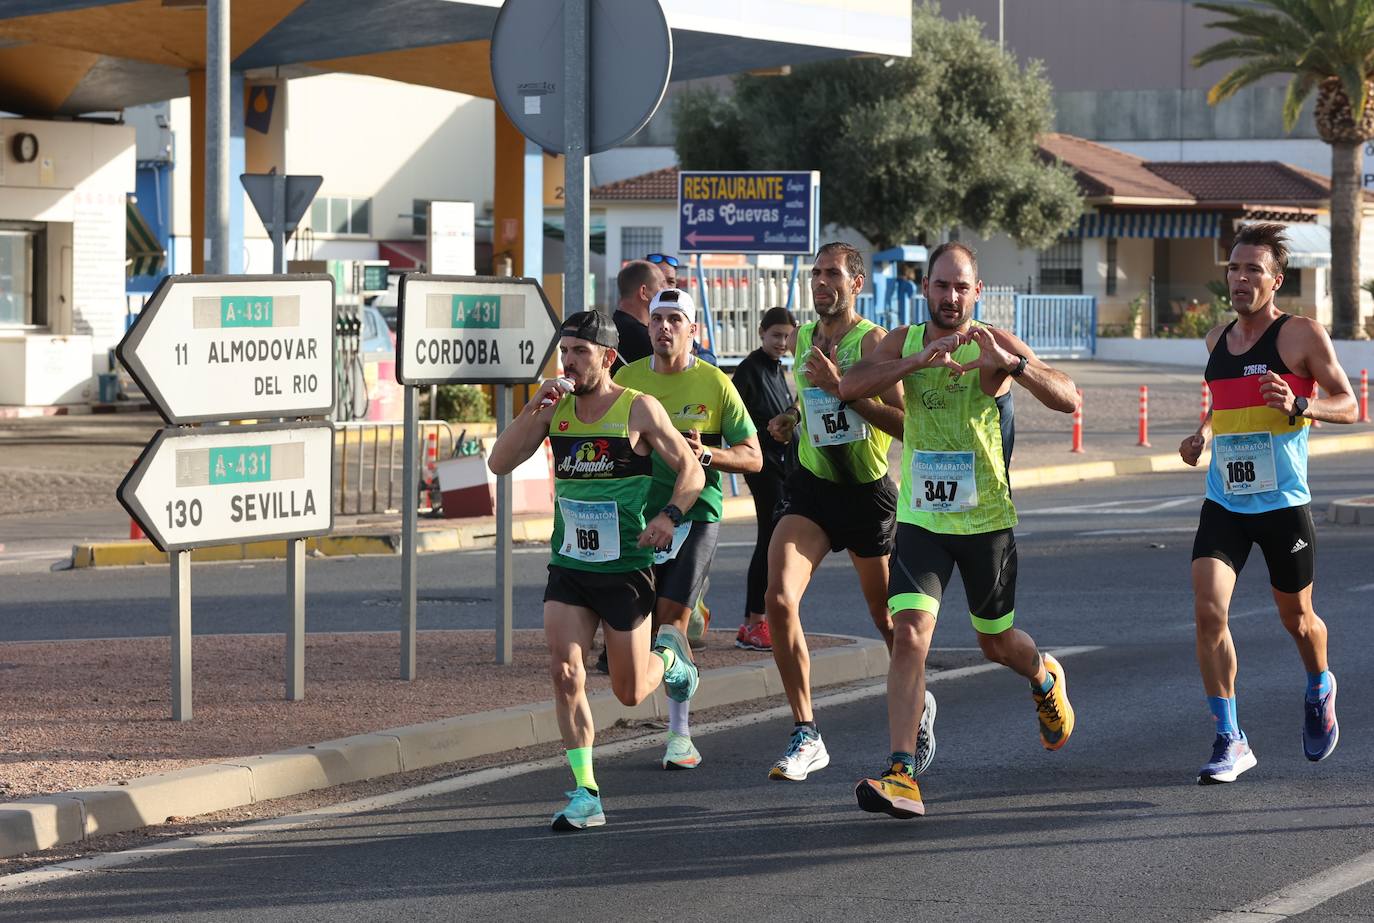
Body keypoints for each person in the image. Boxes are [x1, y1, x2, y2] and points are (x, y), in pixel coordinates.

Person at [838, 241, 1079, 819]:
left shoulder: (993, 342)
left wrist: (1014, 367)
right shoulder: (904, 341)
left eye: (961, 287)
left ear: (977, 292)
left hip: (987, 521)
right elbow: (850, 386)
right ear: (926, 289)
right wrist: (916, 364)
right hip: (922, 518)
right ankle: (901, 773)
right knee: (910, 634)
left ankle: (1044, 676)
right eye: (941, 285)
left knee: (995, 642)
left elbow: (1070, 398)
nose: (950, 296)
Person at [487, 310, 705, 831]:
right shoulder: (554, 409)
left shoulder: (639, 409)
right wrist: (530, 413)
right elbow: (498, 462)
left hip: (626, 567)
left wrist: (669, 516)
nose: (569, 361)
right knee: (565, 672)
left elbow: (692, 470)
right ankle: (586, 792)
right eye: (564, 351)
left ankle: (671, 657)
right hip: (571, 564)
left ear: (607, 358)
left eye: (580, 352)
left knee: (630, 691)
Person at [1178, 223, 1355, 785]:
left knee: (1298, 621)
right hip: (1225, 501)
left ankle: (1319, 684)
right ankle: (1230, 737)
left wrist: (1302, 404)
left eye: (1253, 269)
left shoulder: (1300, 334)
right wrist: (1202, 435)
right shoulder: (1215, 340)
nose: (1240, 278)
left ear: (1275, 280)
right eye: (1233, 268)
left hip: (1282, 503)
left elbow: (1350, 405)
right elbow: (1222, 404)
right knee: (1208, 610)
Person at [762, 241, 936, 784]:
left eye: (832, 273)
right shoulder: (806, 336)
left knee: (888, 622)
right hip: (813, 488)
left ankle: (919, 703)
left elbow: (905, 424)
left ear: (856, 283)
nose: (820, 282)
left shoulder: (876, 342)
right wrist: (792, 416)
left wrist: (846, 393)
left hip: (866, 494)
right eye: (815, 273)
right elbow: (811, 396)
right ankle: (806, 732)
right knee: (779, 598)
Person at [615, 287, 762, 769]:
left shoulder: (717, 384)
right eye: (658, 318)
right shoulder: (628, 379)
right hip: (638, 517)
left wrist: (706, 454)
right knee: (646, 625)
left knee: (671, 624)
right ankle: (675, 661)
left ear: (693, 331)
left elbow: (753, 457)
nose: (664, 328)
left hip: (696, 514)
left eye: (676, 319)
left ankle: (679, 735)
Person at [730, 306, 799, 651]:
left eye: (787, 336)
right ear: (761, 332)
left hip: (781, 467)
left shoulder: (776, 370)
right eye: (776, 335)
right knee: (769, 541)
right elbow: (735, 426)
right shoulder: (749, 370)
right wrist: (769, 432)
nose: (782, 342)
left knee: (775, 542)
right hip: (762, 468)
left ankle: (760, 619)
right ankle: (754, 621)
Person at [611, 259, 665, 373]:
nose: (666, 292)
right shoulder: (650, 341)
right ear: (643, 292)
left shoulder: (607, 331)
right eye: (662, 286)